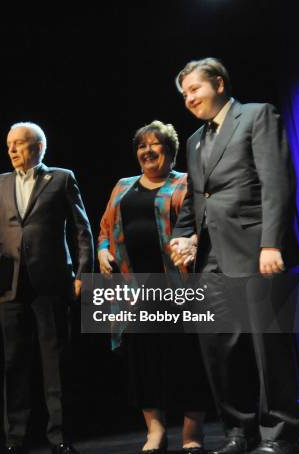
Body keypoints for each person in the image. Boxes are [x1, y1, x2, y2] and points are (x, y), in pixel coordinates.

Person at [170, 58, 299, 454]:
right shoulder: (194, 141)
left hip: (257, 250)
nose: (189, 98)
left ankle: (279, 436)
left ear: (220, 84)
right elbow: (196, 199)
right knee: (218, 350)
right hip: (212, 259)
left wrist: (272, 243)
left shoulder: (257, 115)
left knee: (267, 349)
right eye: (184, 94)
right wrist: (183, 237)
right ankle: (238, 431)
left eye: (195, 89)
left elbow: (276, 181)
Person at [0, 122, 93, 454]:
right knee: (14, 363)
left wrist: (82, 273)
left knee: (55, 362)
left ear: (38, 147)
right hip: (9, 284)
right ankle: (15, 439)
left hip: (51, 282)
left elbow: (82, 229)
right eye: (9, 144)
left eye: (19, 144)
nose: (12, 150)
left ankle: (60, 438)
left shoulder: (62, 178)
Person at [98, 121, 210, 454]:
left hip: (179, 286)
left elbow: (202, 227)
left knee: (187, 360)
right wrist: (103, 250)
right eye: (141, 146)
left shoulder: (186, 183)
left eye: (155, 144)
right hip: (135, 291)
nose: (147, 151)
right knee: (143, 362)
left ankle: (192, 434)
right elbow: (105, 229)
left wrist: (190, 243)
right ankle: (155, 432)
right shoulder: (123, 187)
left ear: (171, 150)